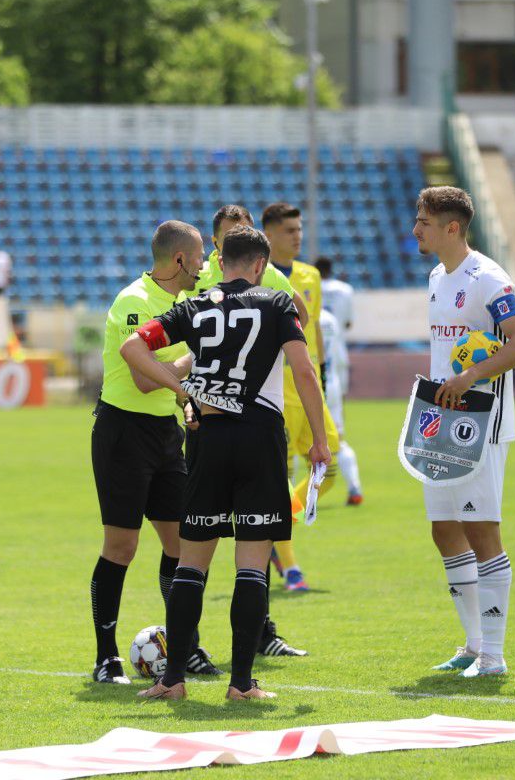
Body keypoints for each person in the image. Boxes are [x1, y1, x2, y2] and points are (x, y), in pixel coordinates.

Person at [121, 225, 331, 701]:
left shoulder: (194, 307)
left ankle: (172, 680)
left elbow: (132, 348)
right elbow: (303, 369)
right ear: (260, 265)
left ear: (220, 261)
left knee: (191, 565)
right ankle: (241, 685)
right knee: (252, 565)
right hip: (259, 438)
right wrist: (319, 440)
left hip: (208, 439)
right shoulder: (276, 303)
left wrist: (182, 389)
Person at [89, 220, 220, 684]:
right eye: (198, 256)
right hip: (124, 432)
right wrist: (192, 361)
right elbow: (144, 380)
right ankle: (106, 657)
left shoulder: (185, 302)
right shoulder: (135, 301)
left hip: (166, 433)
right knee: (121, 546)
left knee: (183, 544)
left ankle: (186, 645)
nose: (202, 265)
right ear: (179, 259)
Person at [415, 186, 515, 678]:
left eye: (424, 221)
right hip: (438, 421)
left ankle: (494, 655)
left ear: (452, 227)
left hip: (481, 423)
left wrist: (470, 376)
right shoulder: (436, 277)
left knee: (482, 530)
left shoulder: (489, 278)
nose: (415, 229)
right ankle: (472, 645)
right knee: (444, 530)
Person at [187, 204, 308, 655]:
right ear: (215, 244)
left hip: (258, 415)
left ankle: (262, 635)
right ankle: (190, 647)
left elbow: (301, 319)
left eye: (245, 230)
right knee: (196, 545)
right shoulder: (199, 280)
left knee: (254, 537)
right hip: (207, 420)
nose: (239, 237)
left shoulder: (268, 276)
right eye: (229, 233)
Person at [260, 202, 340, 593]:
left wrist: (321, 373)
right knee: (278, 477)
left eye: (299, 229)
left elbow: (315, 329)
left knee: (330, 469)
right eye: (289, 230)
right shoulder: (259, 276)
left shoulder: (310, 275)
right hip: (275, 392)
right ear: (269, 234)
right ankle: (291, 568)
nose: (297, 236)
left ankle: (276, 527)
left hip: (308, 389)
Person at [314, 257, 363, 505]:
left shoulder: (300, 315)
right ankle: (354, 487)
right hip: (334, 376)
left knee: (289, 443)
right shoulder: (341, 297)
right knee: (338, 438)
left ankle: (291, 498)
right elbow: (349, 324)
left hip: (304, 382)